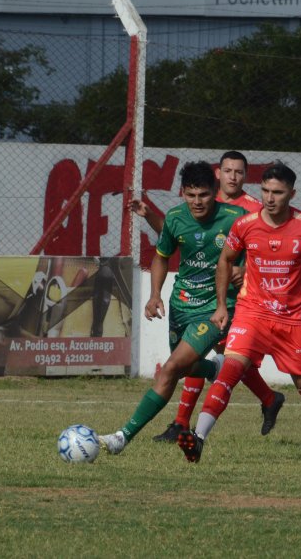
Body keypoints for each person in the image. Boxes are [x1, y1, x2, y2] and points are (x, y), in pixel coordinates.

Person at [176, 162, 301, 464]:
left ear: (292, 193)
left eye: (278, 192)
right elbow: (225, 261)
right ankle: (198, 438)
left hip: (291, 319)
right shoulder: (245, 225)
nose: (270, 198)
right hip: (251, 313)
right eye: (265, 190)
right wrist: (220, 306)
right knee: (230, 369)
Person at [99, 161, 269, 454]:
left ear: (214, 193)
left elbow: (264, 251)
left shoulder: (237, 218)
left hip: (216, 310)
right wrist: (154, 295)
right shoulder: (176, 218)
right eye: (190, 195)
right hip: (181, 306)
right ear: (182, 193)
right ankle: (214, 368)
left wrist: (247, 270)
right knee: (182, 369)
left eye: (203, 195)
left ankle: (121, 437)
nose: (197, 202)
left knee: (168, 370)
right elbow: (162, 256)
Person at [131, 151, 285, 444]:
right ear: (219, 174)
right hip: (201, 299)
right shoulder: (202, 204)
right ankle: (267, 397)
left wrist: (245, 269)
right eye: (227, 170)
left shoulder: (252, 209)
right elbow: (178, 235)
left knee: (213, 356)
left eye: (238, 172)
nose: (232, 176)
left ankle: (182, 423)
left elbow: (270, 249)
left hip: (237, 300)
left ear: (245, 176)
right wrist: (150, 215)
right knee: (219, 359)